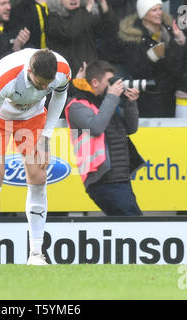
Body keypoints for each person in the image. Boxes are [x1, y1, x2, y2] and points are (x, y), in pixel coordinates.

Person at [0, 48, 71, 265]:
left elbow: (59, 97)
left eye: (48, 83)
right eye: (41, 82)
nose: (45, 87)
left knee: (38, 176)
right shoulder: (6, 79)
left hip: (33, 117)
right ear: (29, 71)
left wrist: (46, 136)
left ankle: (36, 254)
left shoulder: (62, 70)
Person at [65, 60, 144, 216]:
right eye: (110, 81)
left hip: (120, 177)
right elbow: (96, 127)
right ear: (95, 82)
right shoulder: (77, 105)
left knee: (130, 227)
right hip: (102, 179)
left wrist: (130, 103)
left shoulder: (106, 102)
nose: (114, 86)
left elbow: (131, 128)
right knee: (134, 226)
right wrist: (112, 97)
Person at [118, 0, 176, 117]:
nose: (159, 12)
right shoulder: (133, 37)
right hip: (147, 97)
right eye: (154, 10)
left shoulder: (171, 31)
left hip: (169, 93)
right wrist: (152, 56)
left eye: (160, 8)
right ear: (144, 14)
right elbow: (136, 71)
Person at [46, 0, 115, 76]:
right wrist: (87, 9)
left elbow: (109, 30)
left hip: (90, 71)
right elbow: (70, 33)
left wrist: (103, 4)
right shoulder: (53, 18)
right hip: (68, 73)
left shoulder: (86, 15)